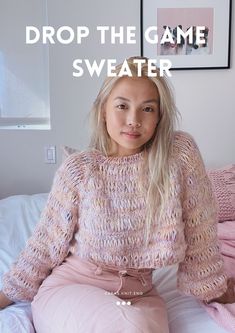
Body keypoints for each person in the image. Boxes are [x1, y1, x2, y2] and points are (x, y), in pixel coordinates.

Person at [0, 56, 234, 333]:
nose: (133, 120)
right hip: (74, 287)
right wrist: (6, 296)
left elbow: (200, 233)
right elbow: (45, 245)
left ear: (159, 117)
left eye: (147, 109)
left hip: (141, 296)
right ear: (103, 111)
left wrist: (215, 290)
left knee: (138, 326)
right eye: (122, 106)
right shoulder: (80, 169)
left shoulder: (178, 156)